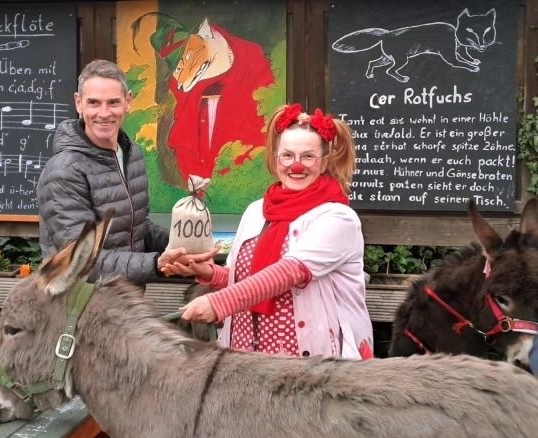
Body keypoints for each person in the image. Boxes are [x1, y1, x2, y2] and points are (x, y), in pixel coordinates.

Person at [162, 103, 374, 359]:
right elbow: (242, 277)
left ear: (324, 162)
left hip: (310, 363)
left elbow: (289, 272)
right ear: (276, 158)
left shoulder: (338, 218)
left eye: (308, 156)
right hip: (246, 356)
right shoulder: (256, 211)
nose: (297, 165)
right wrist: (208, 272)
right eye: (287, 155)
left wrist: (218, 303)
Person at [37, 59, 212, 285]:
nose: (104, 113)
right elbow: (79, 260)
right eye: (94, 103)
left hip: (124, 297)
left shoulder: (132, 154)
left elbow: (135, 228)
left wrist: (186, 244)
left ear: (128, 101)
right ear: (78, 103)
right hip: (80, 301)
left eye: (113, 102)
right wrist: (155, 263)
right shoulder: (64, 171)